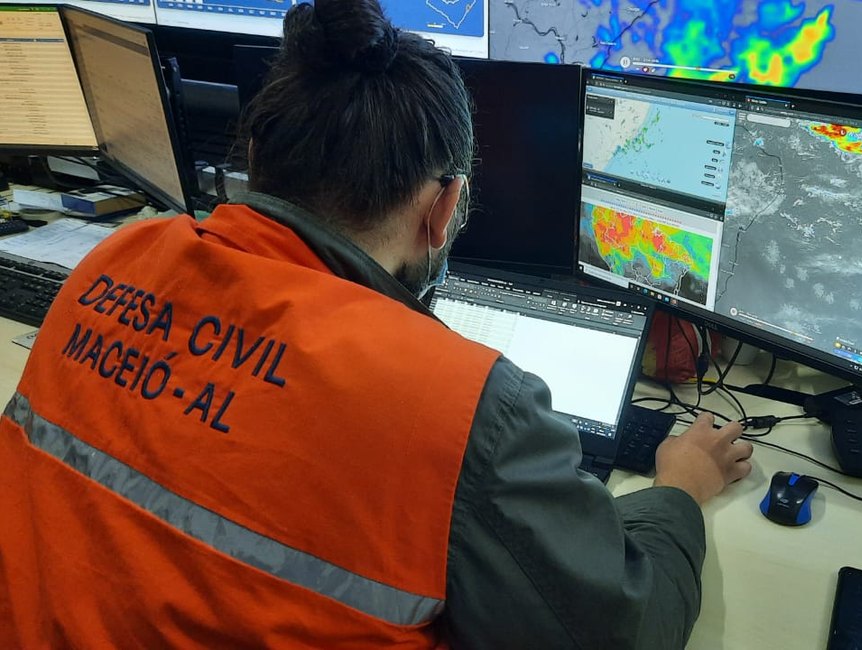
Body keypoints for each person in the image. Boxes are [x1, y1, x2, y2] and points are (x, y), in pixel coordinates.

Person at [0, 0, 755, 647]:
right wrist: (679, 488)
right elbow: (621, 630)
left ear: (258, 155)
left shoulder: (119, 256)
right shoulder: (455, 403)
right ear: (443, 208)